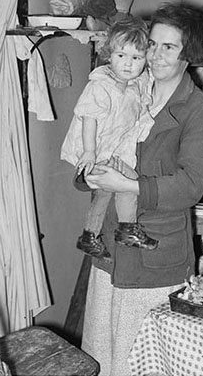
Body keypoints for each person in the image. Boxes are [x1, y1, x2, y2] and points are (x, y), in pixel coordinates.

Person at [82, 2, 203, 376]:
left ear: (188, 53)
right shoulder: (124, 89)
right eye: (152, 44)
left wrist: (126, 184)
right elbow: (86, 144)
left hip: (154, 260)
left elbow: (191, 186)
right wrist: (87, 173)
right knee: (100, 357)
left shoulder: (196, 109)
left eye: (168, 47)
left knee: (140, 369)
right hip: (109, 251)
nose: (154, 55)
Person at [60, 19, 157, 259]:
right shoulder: (100, 85)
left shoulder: (133, 84)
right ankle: (126, 228)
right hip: (96, 150)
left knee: (104, 192)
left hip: (111, 150)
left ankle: (89, 236)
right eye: (121, 55)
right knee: (128, 182)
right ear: (109, 55)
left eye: (137, 58)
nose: (128, 64)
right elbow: (88, 118)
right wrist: (89, 151)